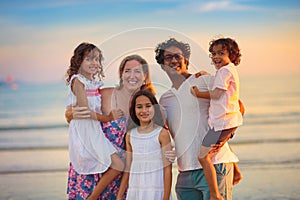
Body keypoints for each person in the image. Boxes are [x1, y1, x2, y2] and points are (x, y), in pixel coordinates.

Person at [156, 38, 239, 200]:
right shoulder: (165, 100)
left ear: (186, 60)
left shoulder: (204, 81)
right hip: (184, 172)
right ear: (162, 65)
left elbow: (236, 107)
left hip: (214, 166)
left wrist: (227, 136)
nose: (173, 60)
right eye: (168, 57)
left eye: (178, 56)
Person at [66, 54, 156, 199]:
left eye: (137, 71)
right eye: (127, 71)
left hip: (121, 174)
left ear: (145, 76)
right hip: (94, 165)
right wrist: (70, 113)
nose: (132, 75)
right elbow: (76, 112)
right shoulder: (106, 94)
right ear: (121, 75)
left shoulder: (146, 105)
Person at [65, 42, 125, 200]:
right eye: (89, 59)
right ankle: (92, 197)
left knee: (118, 165)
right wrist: (108, 118)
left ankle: (93, 196)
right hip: (85, 131)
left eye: (97, 59)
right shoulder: (77, 81)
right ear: (79, 61)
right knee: (117, 164)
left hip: (94, 129)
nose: (94, 63)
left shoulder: (94, 84)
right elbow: (85, 110)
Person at [190, 37, 243, 200]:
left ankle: (214, 194)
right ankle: (236, 172)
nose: (216, 57)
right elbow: (219, 84)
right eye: (213, 54)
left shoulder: (225, 71)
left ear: (232, 55)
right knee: (215, 149)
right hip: (225, 122)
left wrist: (198, 94)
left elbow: (217, 93)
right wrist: (207, 75)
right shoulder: (227, 70)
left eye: (221, 53)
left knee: (203, 156)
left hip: (223, 123)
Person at [116, 90, 172, 200]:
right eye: (139, 107)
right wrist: (119, 196)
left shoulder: (162, 134)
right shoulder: (130, 135)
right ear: (134, 110)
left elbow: (167, 170)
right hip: (136, 190)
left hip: (156, 190)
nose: (144, 110)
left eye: (148, 106)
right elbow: (128, 168)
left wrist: (165, 198)